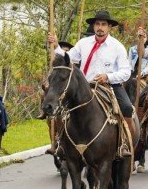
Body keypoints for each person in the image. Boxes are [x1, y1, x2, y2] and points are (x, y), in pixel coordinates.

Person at [48, 11, 134, 157]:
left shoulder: (117, 47)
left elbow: (126, 72)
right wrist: (56, 46)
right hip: (84, 86)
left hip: (109, 86)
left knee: (126, 107)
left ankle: (125, 144)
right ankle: (60, 143)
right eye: (97, 24)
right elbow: (68, 58)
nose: (100, 27)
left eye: (103, 25)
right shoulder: (83, 43)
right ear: (94, 26)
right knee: (61, 106)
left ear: (109, 27)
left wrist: (108, 76)